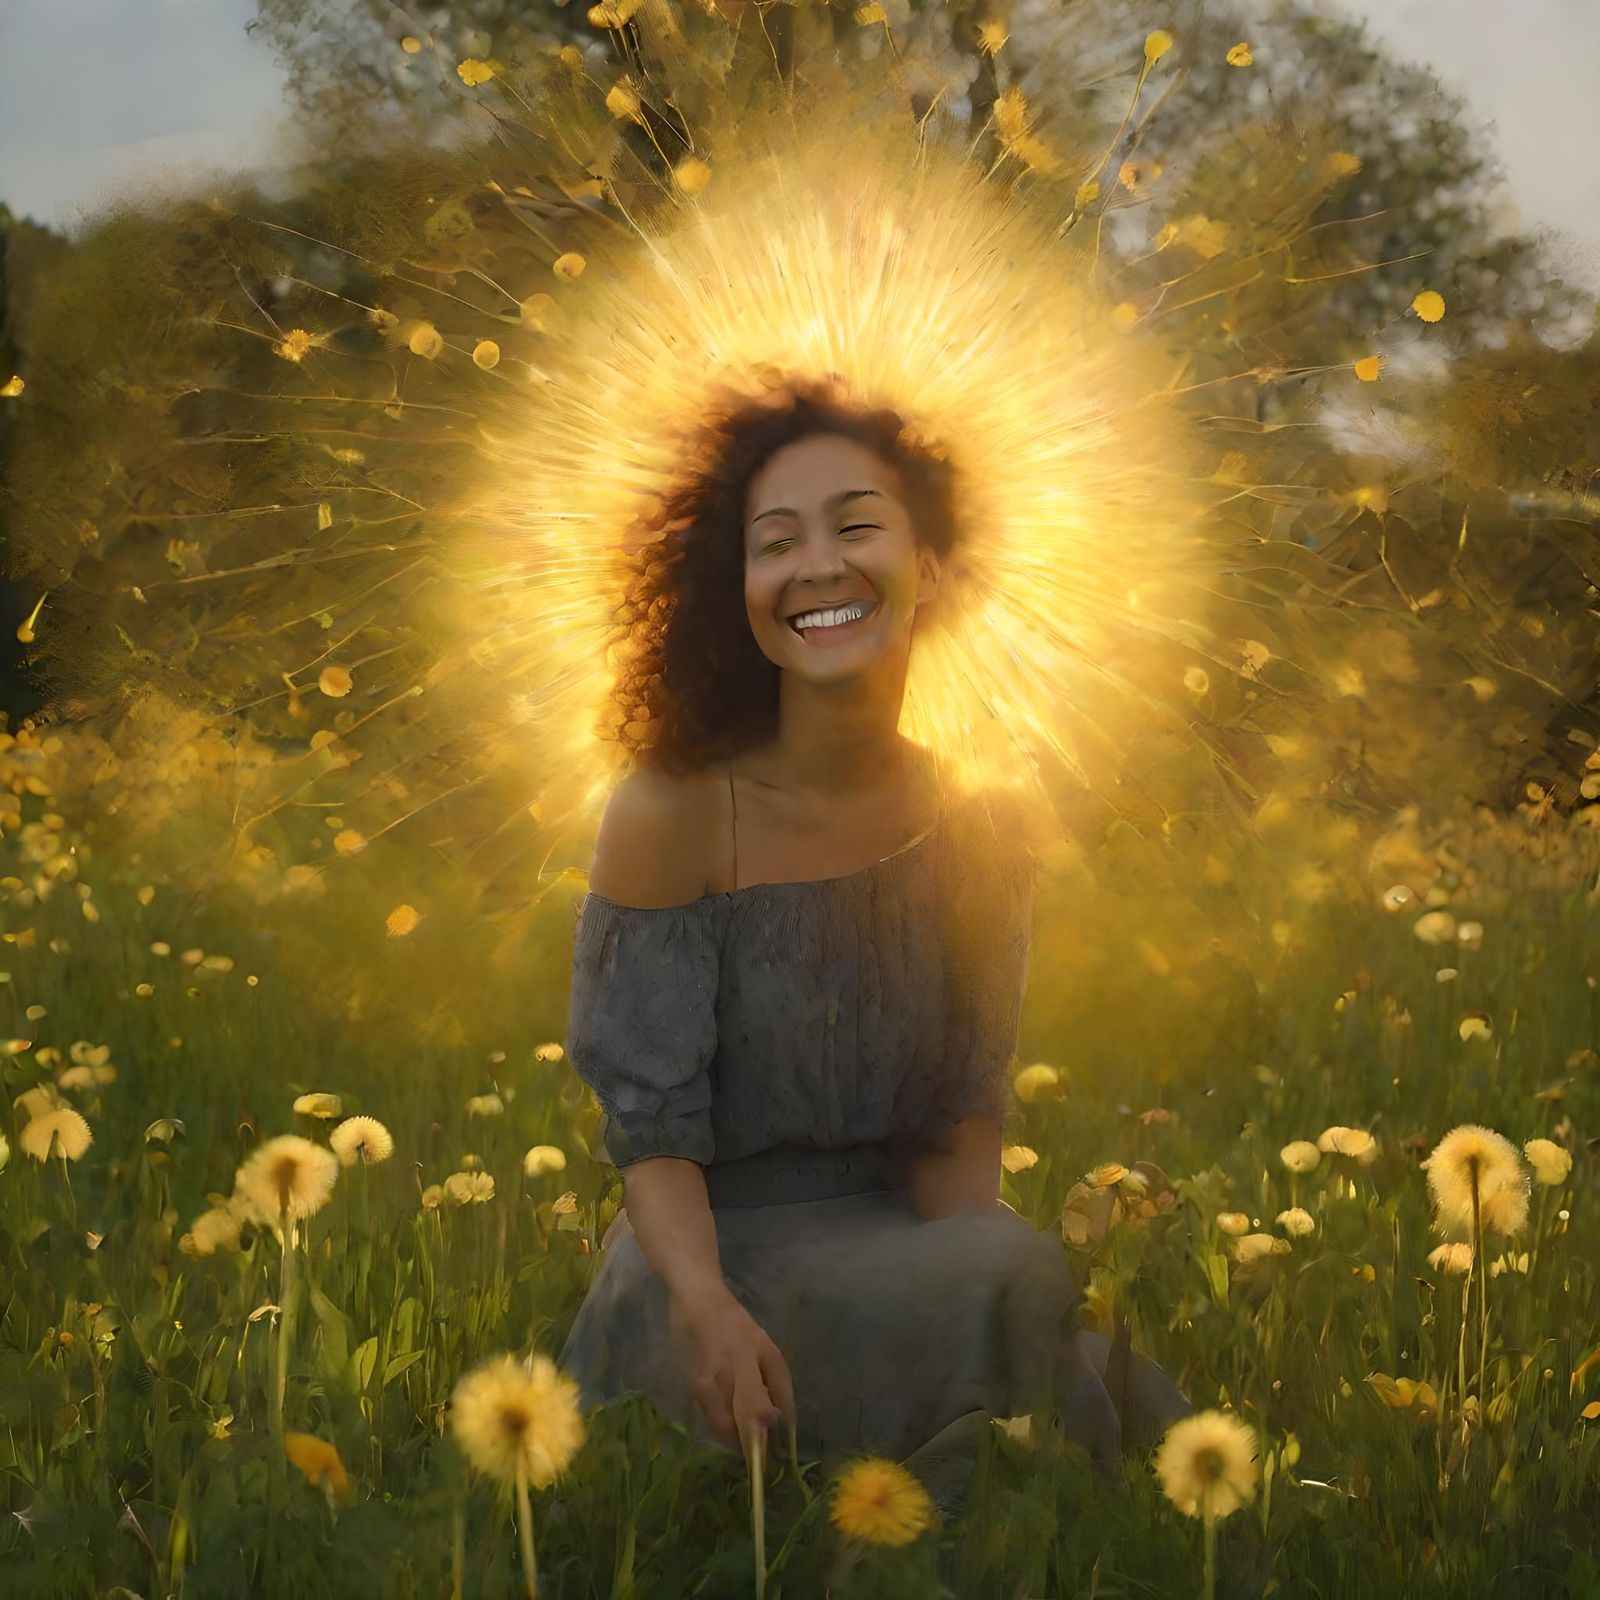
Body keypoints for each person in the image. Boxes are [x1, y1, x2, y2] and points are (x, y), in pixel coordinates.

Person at [556, 377, 1187, 1515]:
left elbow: (956, 1133)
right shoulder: (671, 810)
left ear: (929, 568)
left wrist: (991, 1300)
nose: (817, 567)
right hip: (705, 1261)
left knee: (1037, 1309)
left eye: (855, 525)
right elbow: (650, 1135)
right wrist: (702, 1304)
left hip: (890, 1239)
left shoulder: (983, 827)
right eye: (774, 542)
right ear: (732, 589)